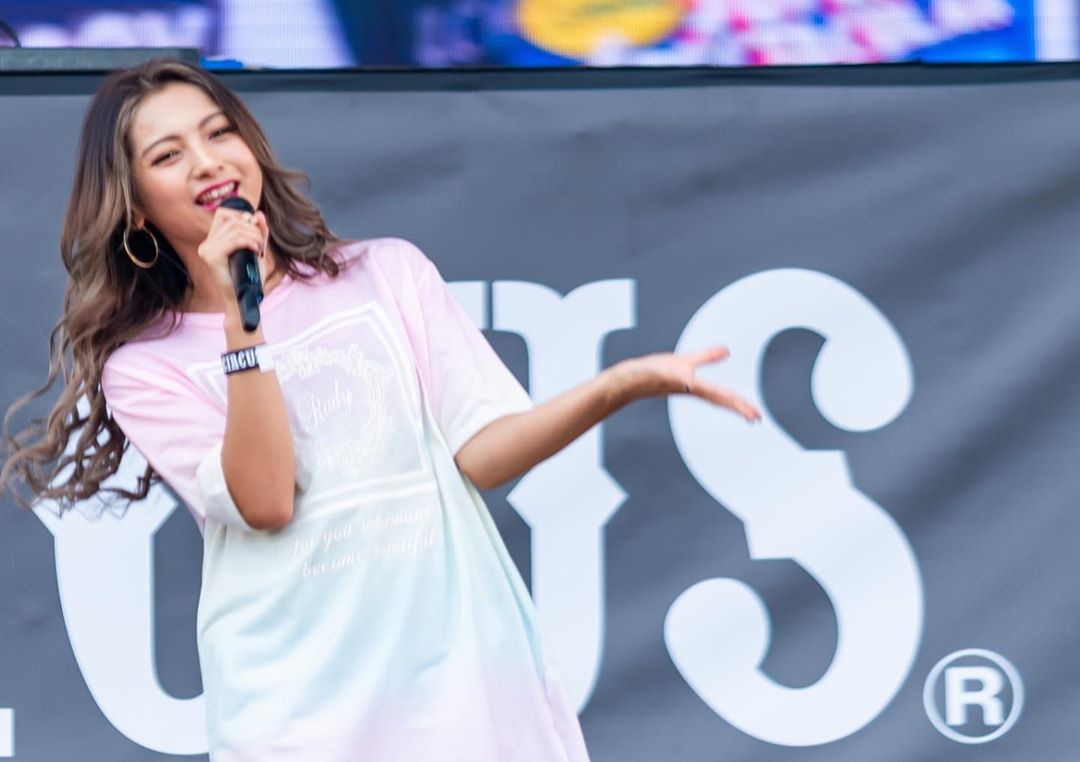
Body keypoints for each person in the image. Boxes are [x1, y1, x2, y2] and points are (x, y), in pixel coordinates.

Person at [1, 59, 760, 761]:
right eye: (168, 155)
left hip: (462, 700)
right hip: (300, 721)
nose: (207, 162)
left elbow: (484, 452)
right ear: (135, 210)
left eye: (219, 132)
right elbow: (266, 499)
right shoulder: (146, 368)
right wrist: (242, 323)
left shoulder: (385, 275)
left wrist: (619, 384)